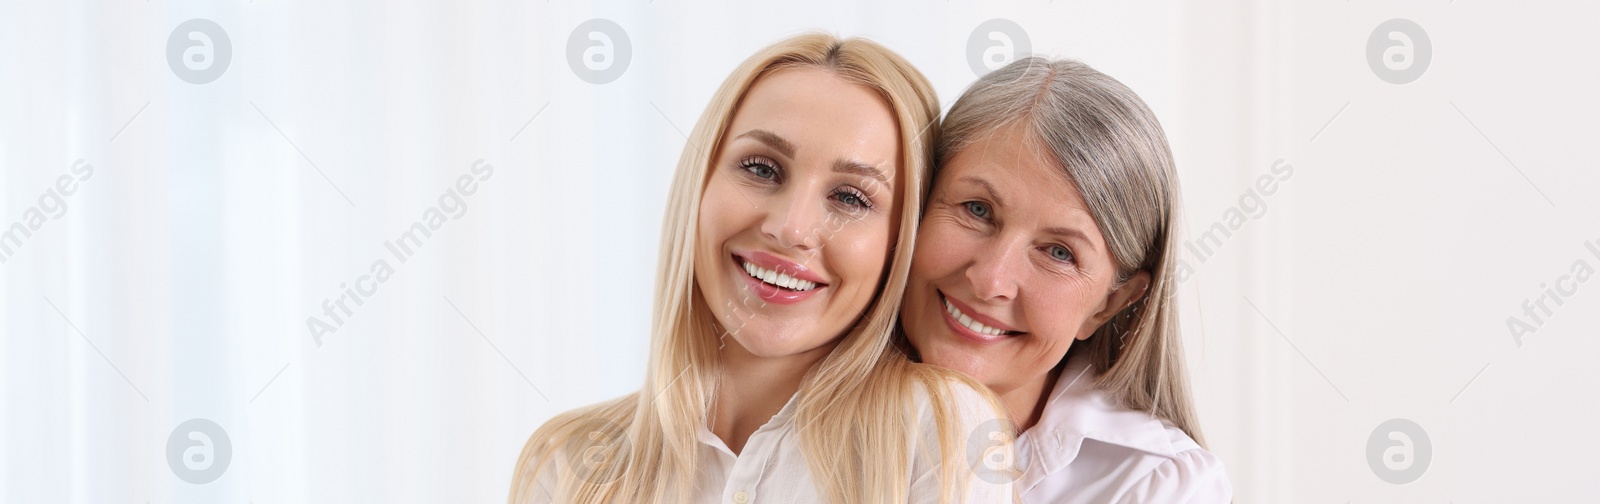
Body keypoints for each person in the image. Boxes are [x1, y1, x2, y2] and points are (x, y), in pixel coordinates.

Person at [509, 34, 1015, 504]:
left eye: (850, 197)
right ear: (700, 185)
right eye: (761, 169)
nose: (791, 228)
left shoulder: (943, 428)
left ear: (898, 243)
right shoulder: (567, 463)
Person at [899, 57, 1231, 503]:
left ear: (1108, 304)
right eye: (977, 210)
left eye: (1059, 253)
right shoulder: (795, 405)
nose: (990, 280)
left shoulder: (1157, 485)